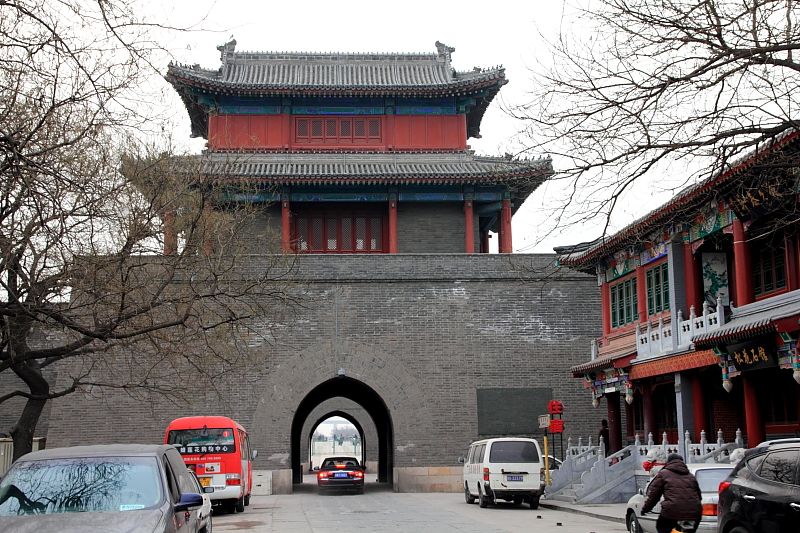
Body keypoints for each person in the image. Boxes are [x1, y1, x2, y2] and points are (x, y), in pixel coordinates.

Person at [641, 453, 702, 533]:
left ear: (668, 462)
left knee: (661, 526)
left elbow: (654, 495)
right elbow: (699, 496)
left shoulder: (663, 473)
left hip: (672, 511)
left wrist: (646, 509)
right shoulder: (690, 476)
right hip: (694, 512)